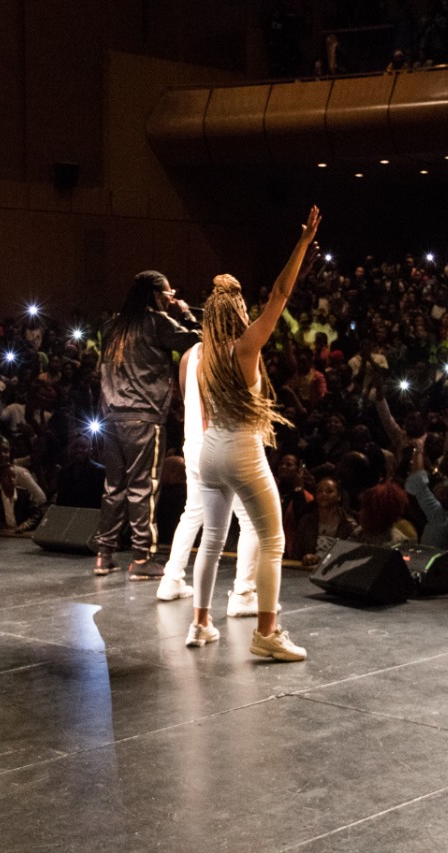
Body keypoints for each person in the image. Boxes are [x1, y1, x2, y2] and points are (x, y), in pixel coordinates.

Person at [188, 205, 321, 661]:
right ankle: (267, 633)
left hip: (210, 451)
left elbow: (204, 412)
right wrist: (301, 243)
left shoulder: (202, 357)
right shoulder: (245, 348)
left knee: (211, 538)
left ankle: (201, 623)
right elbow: (281, 294)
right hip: (242, 449)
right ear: (237, 312)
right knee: (273, 541)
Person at [88, 270, 201, 579]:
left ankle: (104, 554)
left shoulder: (112, 326)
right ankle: (141, 558)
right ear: (155, 295)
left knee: (114, 487)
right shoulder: (157, 322)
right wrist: (186, 312)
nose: (172, 299)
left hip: (111, 416)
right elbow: (198, 340)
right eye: (168, 294)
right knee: (143, 486)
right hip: (143, 416)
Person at [160, 338, 260, 614]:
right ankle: (243, 593)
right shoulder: (236, 351)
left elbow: (185, 396)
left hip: (194, 445)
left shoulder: (189, 355)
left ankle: (171, 579)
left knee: (193, 511)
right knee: (250, 520)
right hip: (223, 444)